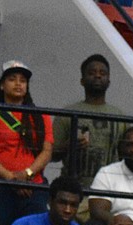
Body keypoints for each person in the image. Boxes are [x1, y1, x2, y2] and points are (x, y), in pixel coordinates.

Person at [0, 60, 53, 225]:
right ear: (2, 85)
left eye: (23, 80)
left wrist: (26, 175)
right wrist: (11, 178)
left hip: (33, 187)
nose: (18, 84)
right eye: (12, 79)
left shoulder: (41, 116)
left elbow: (46, 151)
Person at [52, 54, 126, 188]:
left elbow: (125, 157)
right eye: (92, 72)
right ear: (82, 80)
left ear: (109, 81)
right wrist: (69, 145)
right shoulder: (67, 114)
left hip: (110, 190)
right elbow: (50, 154)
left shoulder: (120, 116)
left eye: (102, 73)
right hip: (73, 191)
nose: (98, 76)